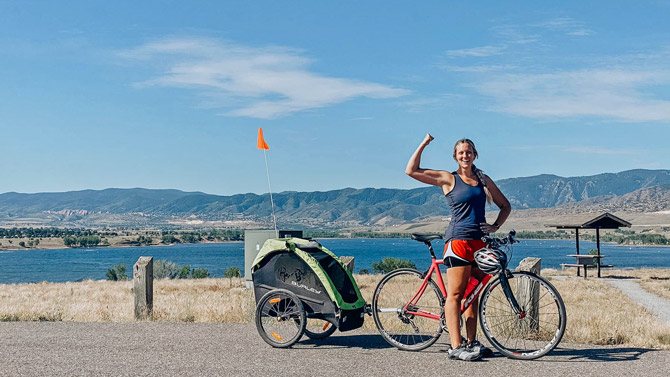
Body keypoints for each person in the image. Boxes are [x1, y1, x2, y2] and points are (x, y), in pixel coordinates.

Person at [405, 133, 511, 361]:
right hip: (458, 242)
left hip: (480, 243)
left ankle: (472, 342)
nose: (465, 155)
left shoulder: (483, 179)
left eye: (469, 151)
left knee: (473, 295)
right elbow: (411, 171)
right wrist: (424, 144)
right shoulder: (448, 179)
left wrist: (494, 227)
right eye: (461, 152)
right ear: (455, 156)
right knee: (455, 294)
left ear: (475, 155)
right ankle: (455, 346)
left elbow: (505, 205)